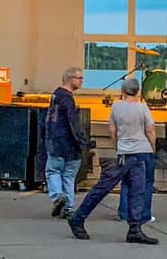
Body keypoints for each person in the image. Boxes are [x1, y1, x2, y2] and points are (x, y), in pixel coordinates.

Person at [67, 77, 158, 245]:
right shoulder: (143, 108)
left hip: (124, 153)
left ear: (123, 91)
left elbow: (112, 131)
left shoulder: (116, 107)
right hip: (141, 152)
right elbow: (150, 130)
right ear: (138, 91)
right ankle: (134, 228)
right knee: (137, 191)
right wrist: (152, 148)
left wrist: (118, 147)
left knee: (105, 186)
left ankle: (80, 218)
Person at [43, 67, 89, 219]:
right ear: (70, 79)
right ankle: (67, 206)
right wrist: (83, 141)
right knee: (67, 176)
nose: (82, 81)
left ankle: (58, 197)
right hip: (69, 144)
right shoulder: (68, 99)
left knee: (53, 171)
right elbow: (73, 122)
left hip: (55, 142)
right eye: (79, 78)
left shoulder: (55, 95)